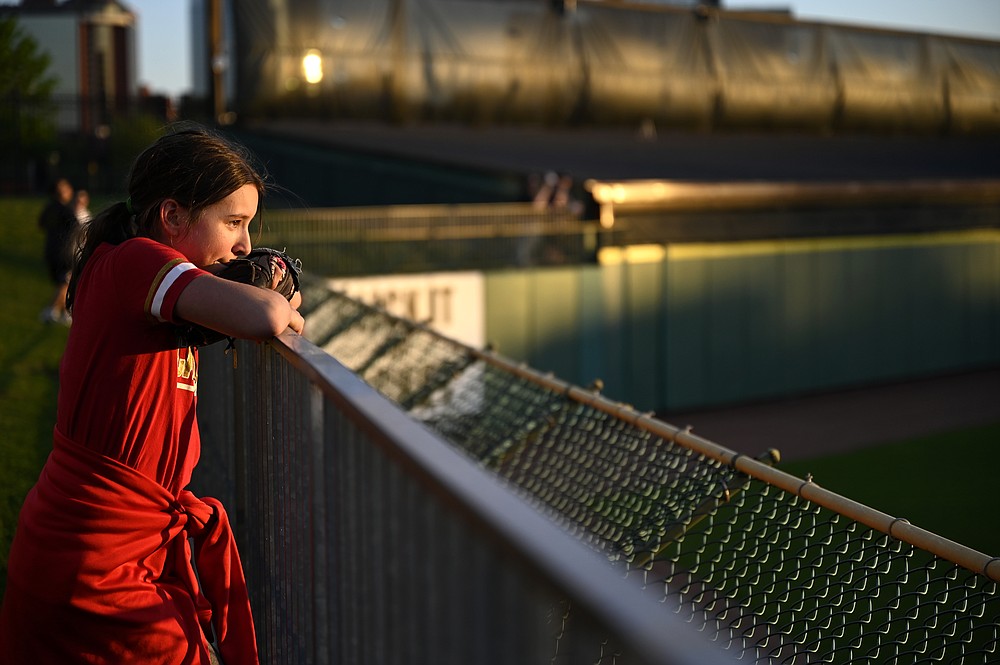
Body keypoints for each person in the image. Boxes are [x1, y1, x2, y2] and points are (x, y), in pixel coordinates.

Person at [0, 125, 304, 665]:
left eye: (249, 226)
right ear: (172, 217)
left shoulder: (148, 281)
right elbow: (269, 315)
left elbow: (281, 314)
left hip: (108, 552)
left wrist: (274, 294)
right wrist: (273, 288)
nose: (245, 245)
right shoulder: (137, 261)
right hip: (92, 564)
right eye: (233, 222)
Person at [37, 177, 78, 325]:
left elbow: (41, 224)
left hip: (50, 251)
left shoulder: (48, 209)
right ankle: (51, 311)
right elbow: (77, 228)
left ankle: (63, 312)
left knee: (63, 283)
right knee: (65, 282)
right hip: (64, 252)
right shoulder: (66, 210)